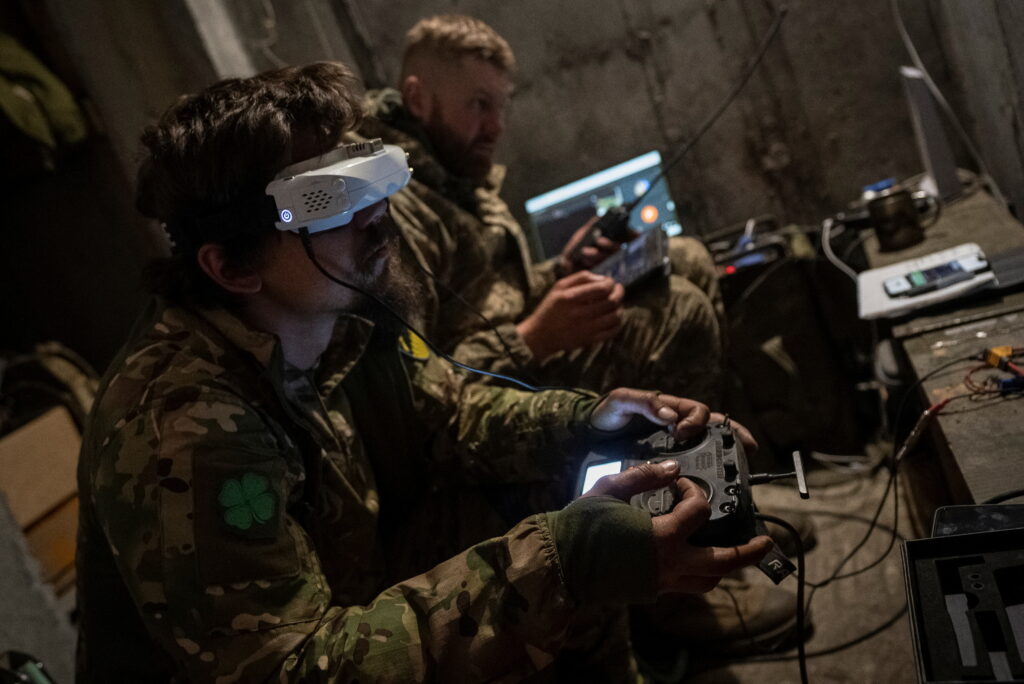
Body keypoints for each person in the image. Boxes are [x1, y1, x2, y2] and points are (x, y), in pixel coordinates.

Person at [74, 61, 772, 683]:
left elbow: (451, 409)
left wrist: (584, 418)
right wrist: (563, 561)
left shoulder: (345, 302)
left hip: (358, 571)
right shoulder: (185, 428)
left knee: (565, 502)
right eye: (324, 199)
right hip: (302, 647)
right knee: (563, 553)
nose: (376, 212)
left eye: (367, 174)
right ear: (231, 266)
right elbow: (289, 665)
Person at [354, 15, 727, 406]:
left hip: (518, 348)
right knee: (681, 307)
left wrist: (562, 271)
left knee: (686, 257)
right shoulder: (389, 209)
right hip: (488, 395)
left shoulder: (454, 170)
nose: (496, 126)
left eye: (501, 107)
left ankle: (721, 439)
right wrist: (533, 337)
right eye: (480, 105)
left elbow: (492, 294)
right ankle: (691, 455)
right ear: (418, 100)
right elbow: (416, 395)